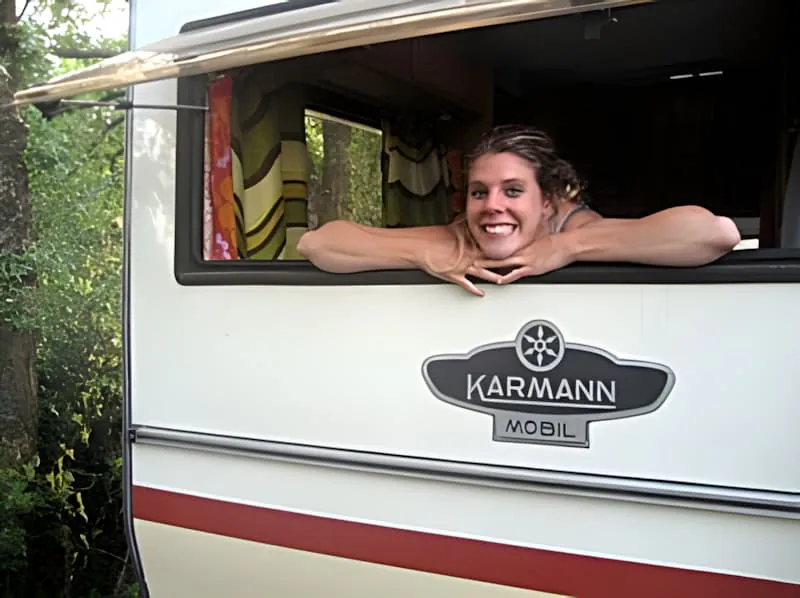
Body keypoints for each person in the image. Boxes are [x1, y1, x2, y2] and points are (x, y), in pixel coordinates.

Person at [297, 124, 741, 296]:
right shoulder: (464, 234)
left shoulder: (580, 228)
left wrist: (567, 248)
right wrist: (420, 255)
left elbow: (714, 234)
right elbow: (318, 244)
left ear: (547, 201)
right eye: (479, 192)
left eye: (512, 191)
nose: (492, 206)